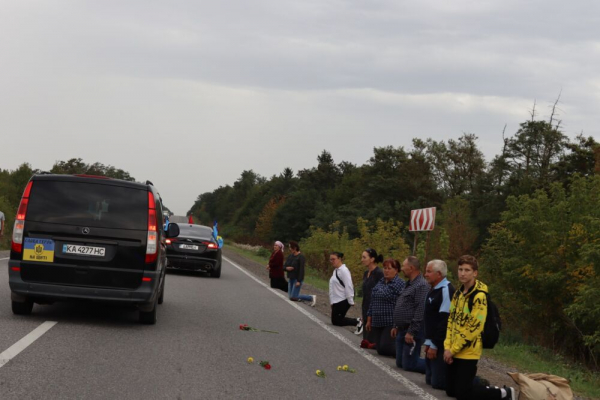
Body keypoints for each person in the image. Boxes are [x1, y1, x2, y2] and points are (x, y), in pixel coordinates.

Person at [443, 255, 515, 400]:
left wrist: (454, 349)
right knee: (451, 391)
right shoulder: (457, 294)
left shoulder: (479, 297)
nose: (463, 273)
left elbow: (474, 327)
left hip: (469, 350)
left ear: (475, 273)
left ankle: (503, 393)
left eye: (467, 270)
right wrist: (447, 347)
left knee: (463, 394)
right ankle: (479, 384)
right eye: (460, 269)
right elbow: (451, 321)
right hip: (454, 348)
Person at [392, 256, 428, 373]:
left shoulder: (421, 285)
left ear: (411, 268)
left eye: (403, 266)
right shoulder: (409, 284)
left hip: (411, 330)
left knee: (410, 365)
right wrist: (396, 325)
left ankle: (436, 367)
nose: (401, 268)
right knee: (400, 363)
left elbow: (420, 309)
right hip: (402, 329)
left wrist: (411, 331)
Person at [423, 259, 455, 390]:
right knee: (429, 381)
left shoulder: (446, 290)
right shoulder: (433, 288)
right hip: (432, 340)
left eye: (429, 272)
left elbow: (444, 320)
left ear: (439, 274)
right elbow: (430, 318)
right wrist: (428, 342)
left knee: (439, 384)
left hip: (441, 343)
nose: (425, 274)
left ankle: (475, 382)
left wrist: (435, 345)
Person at [366, 258, 405, 356]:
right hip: (377, 321)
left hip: (390, 321)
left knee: (386, 348)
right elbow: (373, 299)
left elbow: (401, 304)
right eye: (385, 268)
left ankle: (404, 353)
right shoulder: (381, 281)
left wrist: (396, 324)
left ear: (396, 270)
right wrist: (369, 318)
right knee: (379, 349)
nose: (386, 270)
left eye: (389, 268)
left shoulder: (400, 284)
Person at [328, 252, 362, 333]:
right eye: (330, 259)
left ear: (339, 259)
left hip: (344, 298)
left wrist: (350, 300)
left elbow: (349, 285)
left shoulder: (344, 271)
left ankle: (358, 322)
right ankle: (357, 321)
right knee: (335, 320)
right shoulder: (336, 270)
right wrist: (332, 301)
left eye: (334, 259)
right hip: (337, 299)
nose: (332, 261)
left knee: (336, 320)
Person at [360, 248, 385, 339]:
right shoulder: (366, 273)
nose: (362, 260)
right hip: (365, 308)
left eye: (364, 257)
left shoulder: (379, 273)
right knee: (365, 340)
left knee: (372, 341)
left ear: (372, 259)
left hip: (375, 311)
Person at [284, 241, 316, 306]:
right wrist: (286, 268)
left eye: (291, 247)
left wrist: (299, 281)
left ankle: (311, 297)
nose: (289, 249)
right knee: (291, 297)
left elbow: (301, 270)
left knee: (293, 297)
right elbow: (284, 266)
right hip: (291, 278)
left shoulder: (301, 257)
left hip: (297, 279)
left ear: (295, 248)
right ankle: (301, 298)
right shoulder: (290, 256)